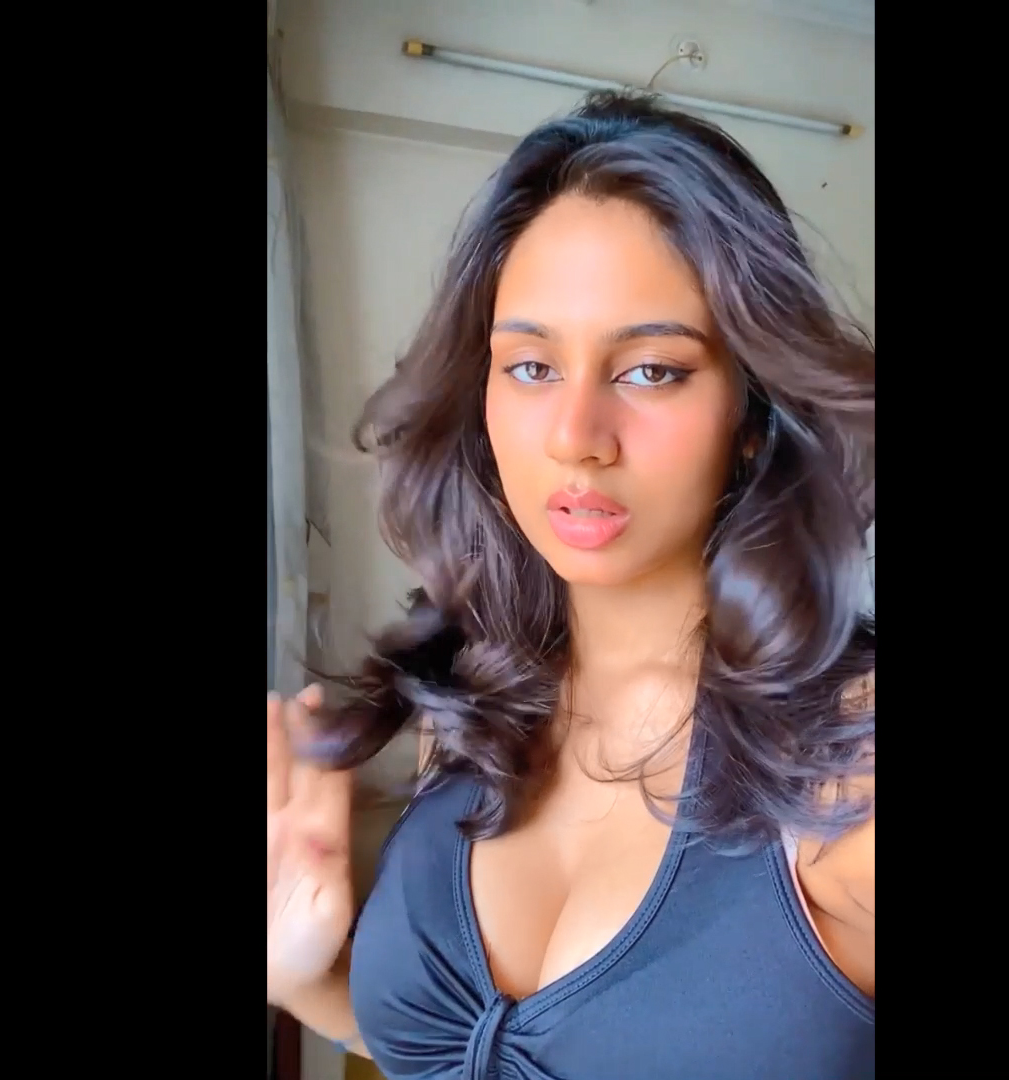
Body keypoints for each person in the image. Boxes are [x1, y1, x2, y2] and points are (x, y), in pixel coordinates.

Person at [265, 90, 875, 1079]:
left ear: (753, 414)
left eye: (651, 371)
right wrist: (300, 978)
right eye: (532, 366)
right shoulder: (474, 699)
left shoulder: (848, 773)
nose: (576, 438)